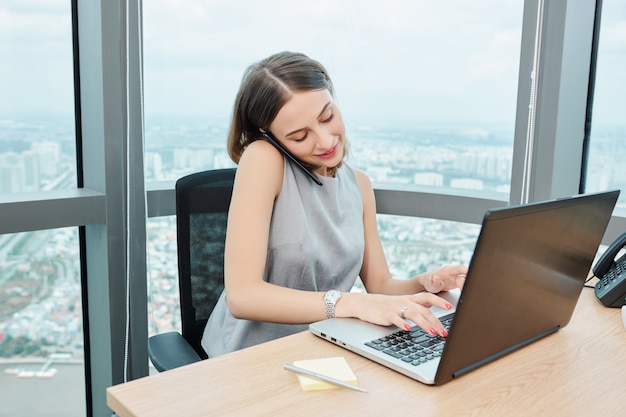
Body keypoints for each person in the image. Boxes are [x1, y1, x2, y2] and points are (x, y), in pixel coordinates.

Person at [201, 51, 467, 357]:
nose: (326, 141)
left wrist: (423, 284)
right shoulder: (263, 159)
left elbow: (380, 284)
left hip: (323, 350)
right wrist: (349, 302)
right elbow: (243, 296)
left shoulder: (359, 184)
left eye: (327, 117)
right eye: (300, 136)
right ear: (268, 135)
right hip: (251, 356)